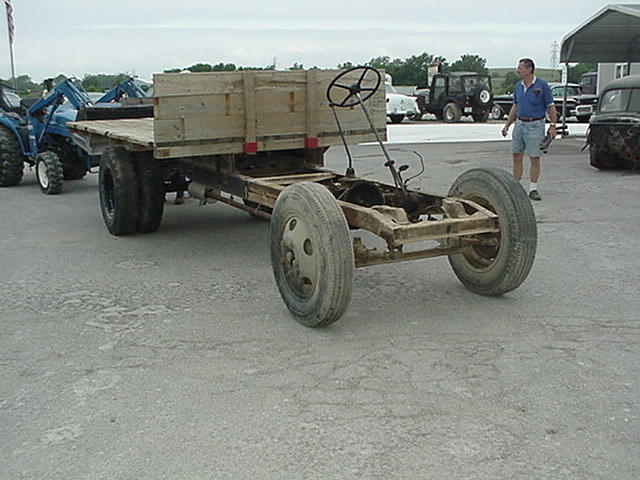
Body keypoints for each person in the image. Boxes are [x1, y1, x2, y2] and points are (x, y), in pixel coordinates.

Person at [501, 58, 557, 201]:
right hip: (520, 124)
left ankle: (533, 189)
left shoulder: (542, 86)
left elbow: (551, 107)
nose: (517, 70)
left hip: (535, 125)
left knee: (534, 157)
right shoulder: (518, 87)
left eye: (520, 68)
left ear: (529, 69)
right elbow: (515, 106)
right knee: (516, 155)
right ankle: (516, 187)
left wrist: (552, 125)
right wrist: (507, 124)